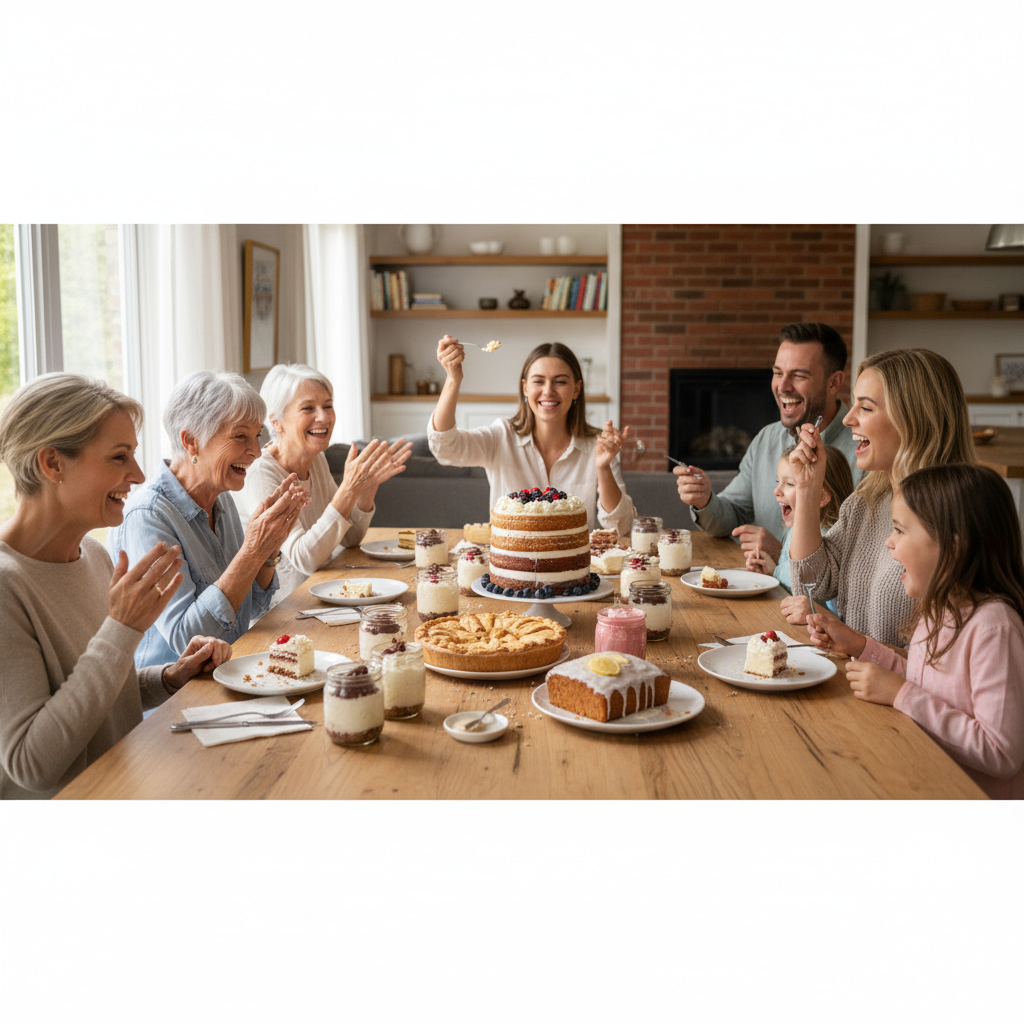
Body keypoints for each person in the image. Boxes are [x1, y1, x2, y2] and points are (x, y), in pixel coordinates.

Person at [0, 374, 231, 799]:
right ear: (52, 464)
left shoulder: (94, 554)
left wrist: (168, 676)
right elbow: (32, 764)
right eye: (119, 457)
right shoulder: (5, 586)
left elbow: (96, 695)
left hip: (127, 786)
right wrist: (121, 629)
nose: (139, 474)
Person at [804, 464, 1024, 800]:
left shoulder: (995, 628)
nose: (890, 544)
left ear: (953, 547)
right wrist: (860, 647)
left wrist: (901, 694)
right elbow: (929, 686)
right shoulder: (938, 609)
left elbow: (1001, 753)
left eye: (900, 531)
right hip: (923, 778)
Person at [107, 370, 308, 669]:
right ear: (191, 442)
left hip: (231, 673)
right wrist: (253, 550)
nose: (255, 451)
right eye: (240, 436)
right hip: (174, 701)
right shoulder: (148, 516)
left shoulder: (221, 496)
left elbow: (255, 605)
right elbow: (187, 641)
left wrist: (268, 549)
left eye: (256, 436)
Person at [785, 348, 976, 647]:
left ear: (913, 419)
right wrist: (808, 489)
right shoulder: (866, 501)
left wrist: (861, 647)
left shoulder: (955, 518)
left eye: (866, 408)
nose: (847, 419)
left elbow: (946, 666)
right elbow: (813, 584)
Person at [674, 322, 861, 564]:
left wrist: (781, 552)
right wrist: (705, 499)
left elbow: (856, 559)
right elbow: (732, 514)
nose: (782, 387)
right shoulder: (766, 439)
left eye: (799, 375)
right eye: (778, 373)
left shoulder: (864, 454)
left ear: (834, 383)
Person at [233, 363, 413, 611]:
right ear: (277, 422)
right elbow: (303, 559)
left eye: (328, 405)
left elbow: (349, 538)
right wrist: (348, 488)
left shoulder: (315, 457)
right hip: (283, 612)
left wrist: (367, 488)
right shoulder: (261, 473)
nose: (324, 417)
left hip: (323, 597)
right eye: (308, 408)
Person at [428, 337, 635, 533]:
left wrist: (603, 467)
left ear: (576, 390)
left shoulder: (598, 447)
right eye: (538, 381)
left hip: (572, 568)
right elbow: (445, 448)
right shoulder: (501, 436)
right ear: (525, 388)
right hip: (509, 566)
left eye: (560, 382)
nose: (548, 391)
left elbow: (621, 526)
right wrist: (453, 379)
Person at [746, 444, 853, 608]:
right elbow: (793, 586)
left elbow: (827, 610)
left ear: (821, 497)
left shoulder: (830, 542)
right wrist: (772, 571)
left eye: (789, 484)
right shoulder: (793, 531)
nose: (776, 490)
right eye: (778, 481)